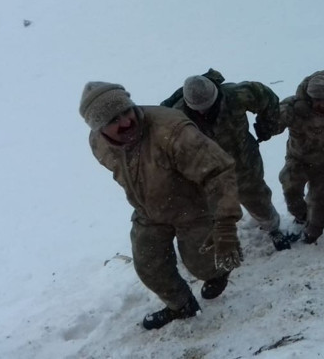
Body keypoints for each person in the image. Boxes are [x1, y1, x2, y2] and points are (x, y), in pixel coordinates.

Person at [80, 82, 243, 330]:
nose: (125, 122)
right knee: (148, 264)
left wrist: (225, 224)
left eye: (126, 111)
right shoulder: (98, 143)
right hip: (149, 210)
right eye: (113, 120)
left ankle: (216, 273)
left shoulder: (173, 131)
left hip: (192, 206)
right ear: (99, 128)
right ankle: (182, 306)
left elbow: (219, 172)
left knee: (202, 263)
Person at [161, 69, 295, 249]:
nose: (204, 112)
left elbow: (266, 97)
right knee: (208, 210)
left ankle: (273, 228)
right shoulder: (175, 115)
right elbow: (164, 145)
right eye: (198, 109)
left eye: (208, 106)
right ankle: (215, 241)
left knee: (258, 200)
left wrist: (266, 126)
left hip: (244, 163)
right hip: (206, 173)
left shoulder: (236, 95)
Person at [275, 72, 324, 244]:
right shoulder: (294, 107)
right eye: (316, 99)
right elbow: (275, 121)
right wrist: (273, 120)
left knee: (321, 202)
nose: (321, 104)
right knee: (290, 186)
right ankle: (300, 216)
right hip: (299, 159)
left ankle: (312, 232)